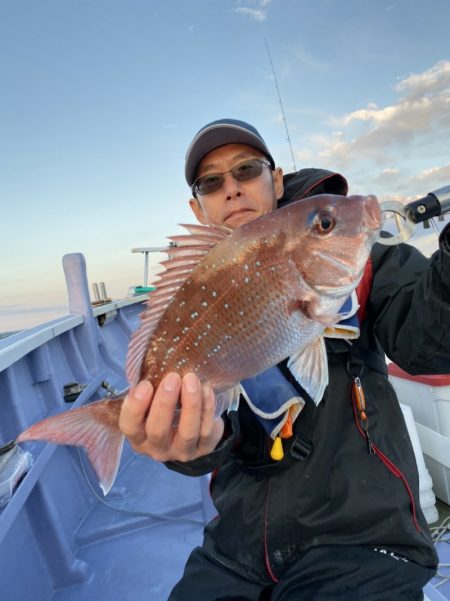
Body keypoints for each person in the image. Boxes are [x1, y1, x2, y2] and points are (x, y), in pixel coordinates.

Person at [119, 118, 450, 600]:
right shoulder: (195, 286)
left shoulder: (361, 255)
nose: (231, 189)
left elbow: (428, 344)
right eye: (212, 182)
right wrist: (184, 446)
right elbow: (209, 431)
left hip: (362, 538)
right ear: (198, 206)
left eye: (247, 170)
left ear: (276, 180)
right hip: (236, 544)